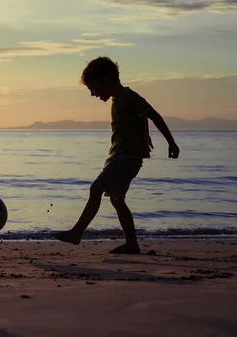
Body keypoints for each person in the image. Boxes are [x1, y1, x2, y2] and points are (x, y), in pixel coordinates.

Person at [52, 57, 180, 254]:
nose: (93, 94)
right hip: (121, 156)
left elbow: (153, 114)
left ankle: (76, 233)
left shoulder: (128, 96)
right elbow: (142, 117)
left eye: (93, 89)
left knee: (96, 188)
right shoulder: (119, 99)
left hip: (125, 157)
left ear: (105, 79)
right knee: (117, 199)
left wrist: (171, 143)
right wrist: (143, 135)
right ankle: (132, 243)